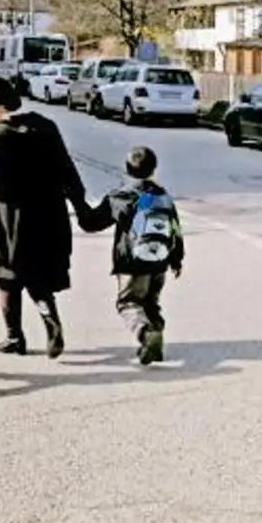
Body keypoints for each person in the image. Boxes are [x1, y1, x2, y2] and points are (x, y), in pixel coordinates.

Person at [0, 77, 86, 357]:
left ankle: (15, 337)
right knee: (37, 276)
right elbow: (67, 169)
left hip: (10, 215)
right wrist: (81, 206)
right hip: (48, 213)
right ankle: (51, 322)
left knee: (7, 276)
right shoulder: (45, 125)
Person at [76, 146, 184, 365]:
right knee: (151, 304)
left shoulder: (121, 196)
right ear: (154, 169)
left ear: (127, 169)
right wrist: (176, 259)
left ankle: (146, 334)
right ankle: (155, 343)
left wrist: (77, 202)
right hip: (159, 261)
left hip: (132, 264)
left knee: (129, 303)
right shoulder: (163, 196)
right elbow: (175, 229)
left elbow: (91, 223)